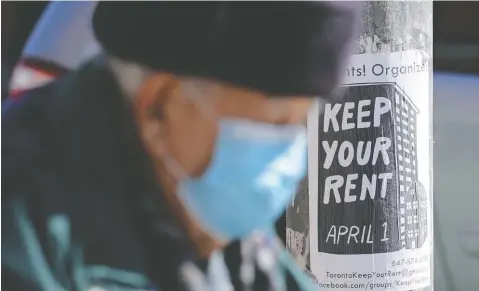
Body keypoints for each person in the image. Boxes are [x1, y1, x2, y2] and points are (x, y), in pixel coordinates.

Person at [2, 2, 361, 291]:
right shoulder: (22, 231)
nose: (287, 159)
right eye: (273, 124)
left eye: (298, 126)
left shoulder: (200, 206)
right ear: (159, 105)